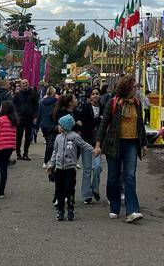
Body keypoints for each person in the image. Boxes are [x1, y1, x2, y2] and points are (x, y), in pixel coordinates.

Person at [95, 75, 147, 223]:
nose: (136, 89)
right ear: (127, 88)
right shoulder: (113, 103)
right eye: (134, 86)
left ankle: (132, 210)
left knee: (130, 176)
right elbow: (103, 124)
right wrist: (98, 144)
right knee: (113, 176)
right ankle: (114, 206)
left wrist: (143, 144)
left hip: (132, 143)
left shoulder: (136, 103)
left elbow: (140, 124)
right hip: (114, 143)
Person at [49, 114, 92, 221]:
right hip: (59, 168)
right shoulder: (58, 138)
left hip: (70, 168)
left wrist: (94, 151)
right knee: (59, 190)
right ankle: (60, 210)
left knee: (69, 189)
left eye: (60, 125)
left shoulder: (74, 136)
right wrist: (51, 164)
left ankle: (70, 208)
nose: (58, 127)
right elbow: (55, 151)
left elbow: (84, 145)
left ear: (65, 126)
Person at [75, 88, 103, 203]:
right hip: (86, 141)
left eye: (97, 94)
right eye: (93, 94)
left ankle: (95, 188)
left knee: (97, 167)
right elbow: (84, 125)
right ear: (89, 96)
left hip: (98, 141)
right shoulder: (86, 107)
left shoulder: (103, 106)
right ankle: (86, 194)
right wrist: (97, 120)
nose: (95, 96)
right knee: (87, 169)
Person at [12, 79, 39, 160]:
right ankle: (18, 153)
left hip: (29, 118)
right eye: (23, 83)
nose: (25, 84)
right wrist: (15, 115)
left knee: (28, 137)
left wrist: (35, 116)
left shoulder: (33, 94)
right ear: (21, 85)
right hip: (20, 118)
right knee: (19, 136)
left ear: (28, 84)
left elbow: (36, 106)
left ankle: (26, 153)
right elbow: (13, 105)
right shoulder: (17, 95)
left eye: (26, 83)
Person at [37, 86, 59, 168]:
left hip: (44, 125)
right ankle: (47, 161)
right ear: (54, 93)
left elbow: (39, 114)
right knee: (50, 144)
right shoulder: (56, 102)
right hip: (52, 125)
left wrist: (37, 125)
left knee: (49, 142)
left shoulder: (42, 102)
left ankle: (49, 160)